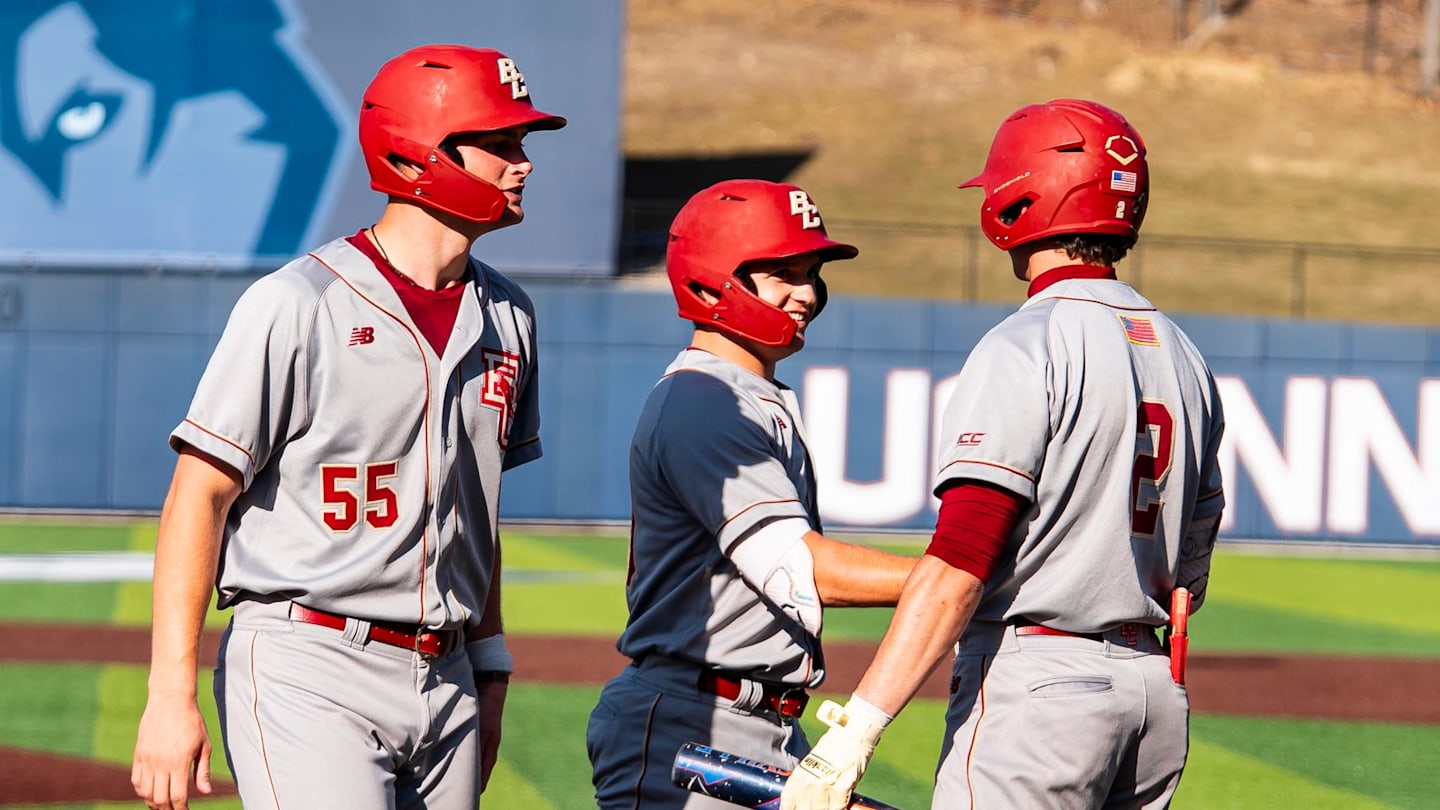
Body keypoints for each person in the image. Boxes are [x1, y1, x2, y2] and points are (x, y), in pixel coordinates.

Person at [130, 43, 565, 810]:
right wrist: (172, 692)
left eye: (522, 143)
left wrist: (489, 667)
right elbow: (199, 496)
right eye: (499, 143)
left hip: (449, 674)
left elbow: (476, 510)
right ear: (419, 153)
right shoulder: (297, 303)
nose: (522, 162)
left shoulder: (509, 317)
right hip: (310, 659)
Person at [780, 99, 1227, 810]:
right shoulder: (1185, 354)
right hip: (1155, 700)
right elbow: (1191, 577)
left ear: (1022, 196)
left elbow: (962, 562)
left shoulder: (1029, 342)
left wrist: (853, 733)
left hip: (1042, 691)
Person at [586, 179, 918, 809]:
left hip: (751, 718)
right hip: (696, 722)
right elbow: (801, 570)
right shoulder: (706, 401)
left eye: (812, 272)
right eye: (782, 272)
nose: (806, 293)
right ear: (713, 281)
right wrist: (954, 576)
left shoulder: (739, 394)